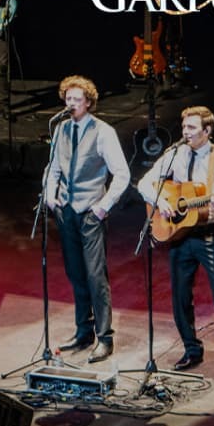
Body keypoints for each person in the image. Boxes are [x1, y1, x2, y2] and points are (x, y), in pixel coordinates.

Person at [137, 105, 214, 382]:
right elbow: (144, 183)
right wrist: (162, 203)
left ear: (207, 131)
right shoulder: (175, 153)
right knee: (180, 297)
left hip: (211, 236)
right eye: (184, 127)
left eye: (192, 128)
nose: (185, 132)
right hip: (180, 236)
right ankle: (191, 349)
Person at [45, 75, 130, 363]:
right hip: (67, 210)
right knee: (75, 273)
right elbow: (53, 168)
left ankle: (105, 337)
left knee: (96, 277)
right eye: (68, 99)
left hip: (91, 212)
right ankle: (84, 331)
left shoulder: (103, 132)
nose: (71, 104)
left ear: (89, 103)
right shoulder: (61, 129)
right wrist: (50, 194)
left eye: (77, 100)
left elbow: (122, 174)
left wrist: (102, 207)